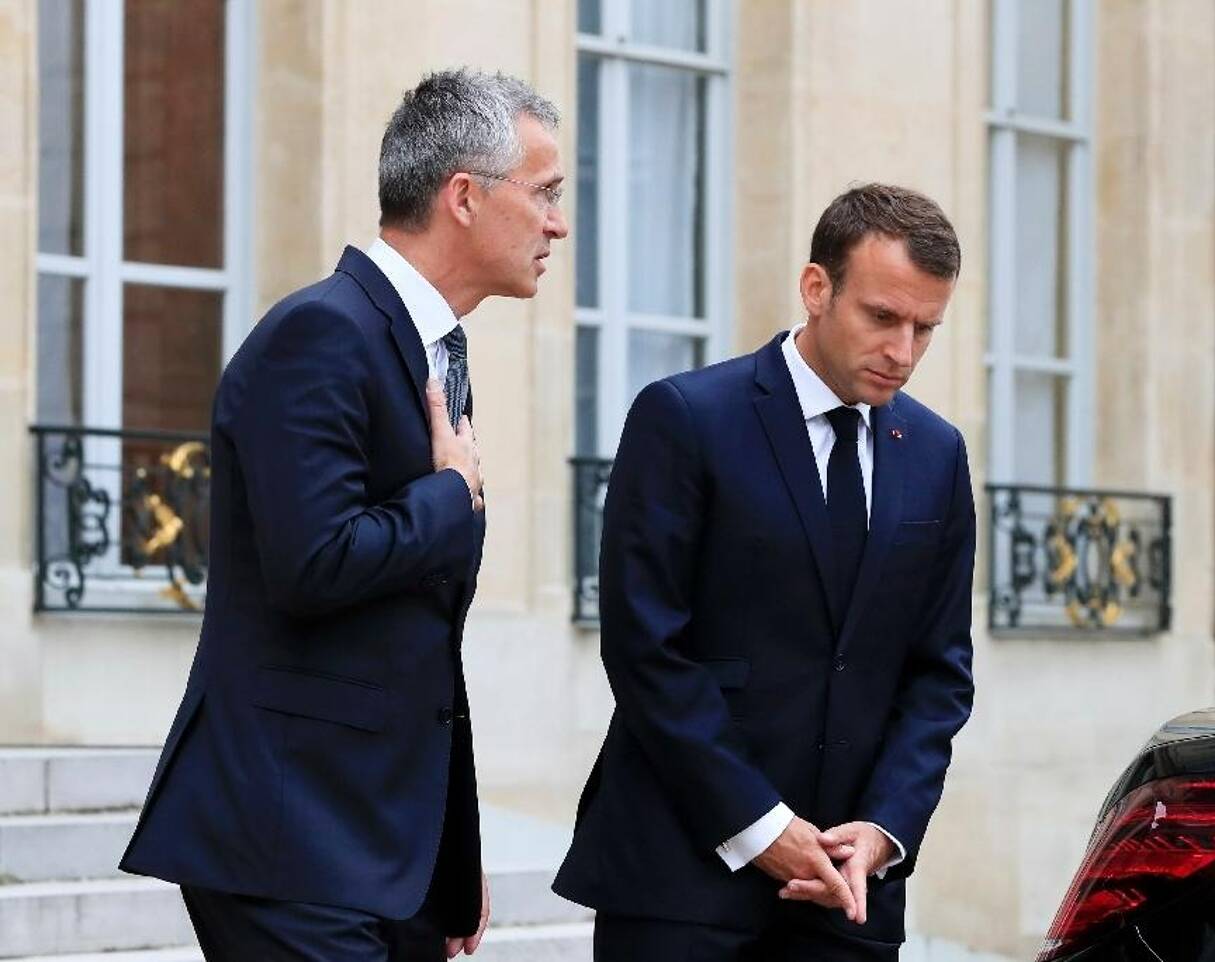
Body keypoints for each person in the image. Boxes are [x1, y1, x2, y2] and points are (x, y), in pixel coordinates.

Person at [119, 68, 569, 961]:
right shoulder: (321, 333)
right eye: (546, 193)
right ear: (465, 197)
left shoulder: (432, 345)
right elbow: (313, 563)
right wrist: (447, 495)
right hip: (288, 845)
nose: (559, 223)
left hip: (378, 849)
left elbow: (417, 644)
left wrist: (446, 853)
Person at [554, 184, 976, 960]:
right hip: (682, 880)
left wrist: (886, 831)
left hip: (850, 897)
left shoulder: (939, 455)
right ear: (817, 289)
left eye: (926, 328)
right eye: (883, 317)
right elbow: (648, 650)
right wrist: (761, 827)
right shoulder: (685, 418)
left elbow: (940, 673)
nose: (904, 352)